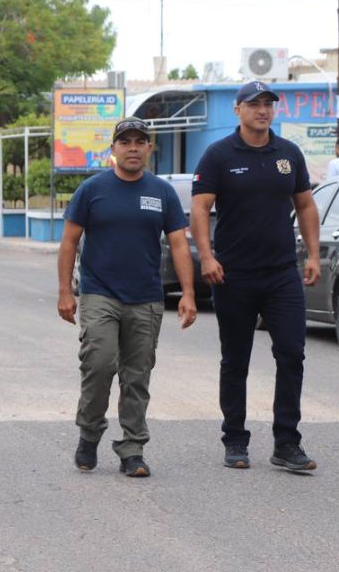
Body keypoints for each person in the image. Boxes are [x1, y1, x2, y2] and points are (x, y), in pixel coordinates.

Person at [190, 80, 321, 472]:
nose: (262, 110)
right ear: (238, 109)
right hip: (233, 274)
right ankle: (235, 439)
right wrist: (207, 257)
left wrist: (313, 254)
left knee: (292, 354)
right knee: (236, 360)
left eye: (268, 104)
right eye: (254, 104)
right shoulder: (218, 155)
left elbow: (306, 205)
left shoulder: (289, 154)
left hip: (281, 273)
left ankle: (287, 442)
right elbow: (200, 210)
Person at [57, 117, 197, 478]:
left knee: (137, 376)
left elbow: (179, 243)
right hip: (99, 293)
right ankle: (89, 435)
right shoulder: (92, 190)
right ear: (114, 149)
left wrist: (188, 294)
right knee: (100, 364)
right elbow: (70, 241)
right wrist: (64, 293)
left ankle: (132, 449)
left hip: (146, 298)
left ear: (149, 148)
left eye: (140, 141)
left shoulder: (161, 192)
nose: (133, 147)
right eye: (125, 142)